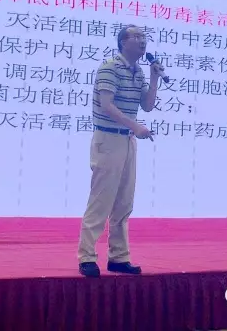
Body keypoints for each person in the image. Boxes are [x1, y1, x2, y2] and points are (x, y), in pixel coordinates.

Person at [77, 25, 163, 278]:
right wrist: (135, 126)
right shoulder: (110, 67)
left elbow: (147, 106)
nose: (142, 41)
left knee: (124, 202)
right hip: (108, 139)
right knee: (101, 201)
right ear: (123, 42)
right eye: (137, 37)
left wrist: (154, 78)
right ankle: (87, 257)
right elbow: (106, 105)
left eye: (144, 37)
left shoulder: (138, 71)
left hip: (127, 140)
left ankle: (119, 257)